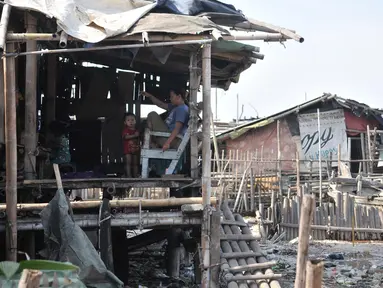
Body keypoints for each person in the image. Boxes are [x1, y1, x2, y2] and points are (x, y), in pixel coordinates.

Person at [122, 112, 140, 178]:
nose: (131, 122)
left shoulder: (136, 130)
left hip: (135, 150)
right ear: (125, 122)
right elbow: (125, 137)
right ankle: (128, 175)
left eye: (132, 120)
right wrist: (134, 135)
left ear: (135, 121)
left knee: (135, 164)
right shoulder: (126, 130)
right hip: (127, 151)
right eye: (128, 120)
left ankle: (135, 175)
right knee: (128, 163)